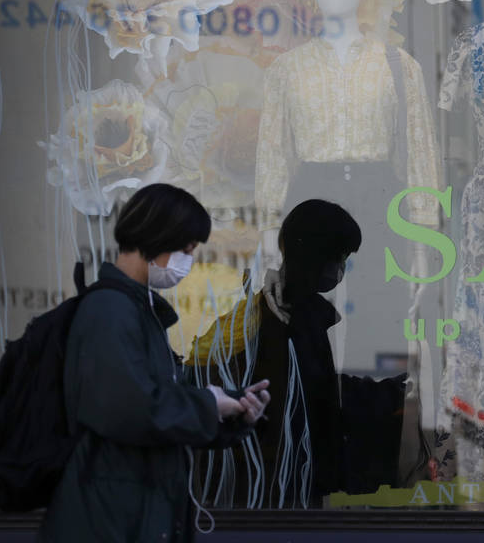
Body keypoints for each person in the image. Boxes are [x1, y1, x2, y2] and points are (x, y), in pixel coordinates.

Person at [38, 183, 271, 543]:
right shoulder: (110, 311)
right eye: (186, 249)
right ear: (158, 236)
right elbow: (132, 408)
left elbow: (156, 404)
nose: (187, 263)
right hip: (111, 518)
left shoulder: (135, 309)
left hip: (134, 511)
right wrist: (209, 404)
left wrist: (231, 410)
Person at [190, 199, 410, 509]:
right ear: (318, 258)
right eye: (341, 257)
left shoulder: (284, 311)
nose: (342, 268)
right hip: (275, 493)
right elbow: (311, 399)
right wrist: (392, 395)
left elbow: (317, 391)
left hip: (275, 487)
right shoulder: (281, 319)